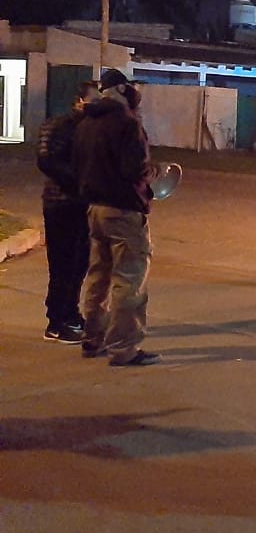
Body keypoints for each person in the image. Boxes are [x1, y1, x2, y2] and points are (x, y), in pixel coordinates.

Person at [73, 69, 160, 367]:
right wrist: (152, 176)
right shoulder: (126, 123)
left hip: (94, 209)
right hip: (123, 210)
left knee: (98, 274)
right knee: (129, 278)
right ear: (122, 90)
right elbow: (135, 169)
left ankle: (92, 336)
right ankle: (124, 348)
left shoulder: (86, 121)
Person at [36, 80, 99, 343]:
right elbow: (47, 160)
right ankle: (56, 321)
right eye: (94, 100)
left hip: (79, 203)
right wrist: (79, 183)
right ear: (79, 100)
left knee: (78, 263)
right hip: (62, 203)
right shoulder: (61, 125)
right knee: (63, 263)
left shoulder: (86, 127)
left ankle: (69, 313)